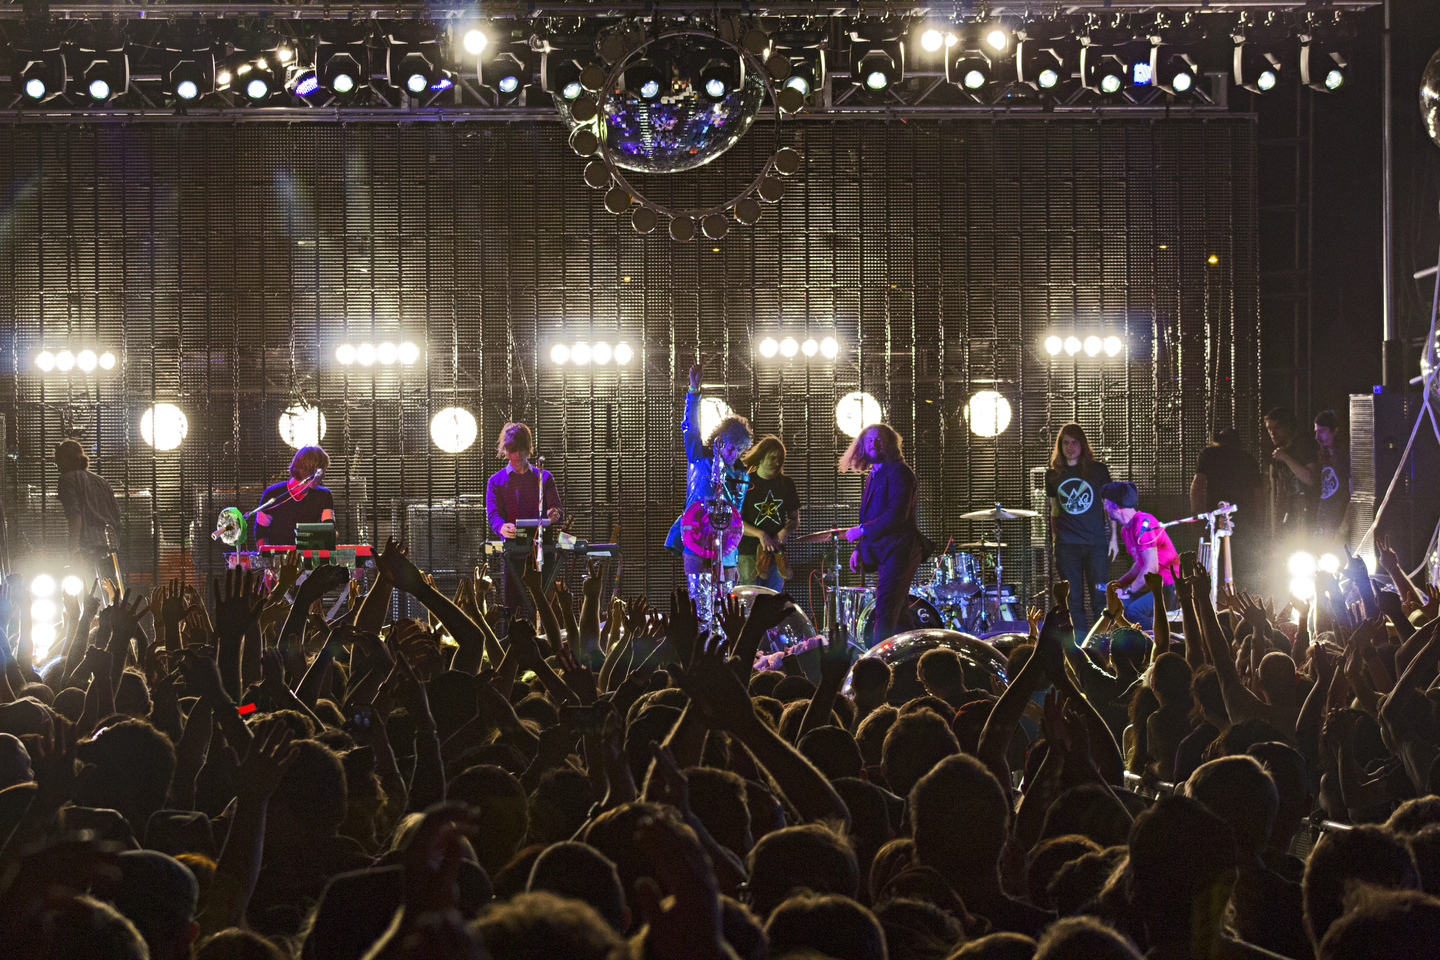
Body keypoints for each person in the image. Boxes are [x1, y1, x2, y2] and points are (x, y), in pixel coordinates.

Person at [665, 363, 754, 606]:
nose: (734, 453)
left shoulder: (741, 474)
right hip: (695, 536)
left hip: (725, 546)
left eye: (739, 449)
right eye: (730, 446)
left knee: (723, 605)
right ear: (719, 440)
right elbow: (690, 429)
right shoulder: (699, 457)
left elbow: (735, 518)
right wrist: (694, 392)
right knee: (699, 602)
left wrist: (733, 559)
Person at [843, 423, 931, 647]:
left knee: (885, 612)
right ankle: (914, 657)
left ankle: (876, 667)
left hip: (901, 549)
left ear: (890, 444)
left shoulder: (899, 471)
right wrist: (859, 548)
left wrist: (861, 531)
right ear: (862, 446)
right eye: (869, 440)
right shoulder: (874, 475)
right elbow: (870, 516)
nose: (874, 444)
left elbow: (896, 514)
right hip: (887, 550)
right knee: (898, 614)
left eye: (879, 439)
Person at [1045, 423, 1117, 636]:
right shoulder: (1052, 475)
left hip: (1096, 543)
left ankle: (1102, 644)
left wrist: (1113, 538)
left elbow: (1109, 504)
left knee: (1099, 599)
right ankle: (1079, 649)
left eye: (1075, 442)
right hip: (1067, 545)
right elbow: (1054, 510)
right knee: (1073, 601)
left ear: (1082, 444)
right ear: (1060, 446)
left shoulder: (1098, 470)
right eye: (1065, 443)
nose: (1070, 447)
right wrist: (1055, 541)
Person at [485, 422, 564, 611]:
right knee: (514, 608)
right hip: (514, 554)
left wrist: (554, 514)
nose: (518, 455)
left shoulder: (544, 478)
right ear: (505, 450)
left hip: (543, 554)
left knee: (547, 608)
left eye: (521, 449)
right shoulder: (496, 481)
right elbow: (493, 515)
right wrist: (501, 527)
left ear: (528, 449)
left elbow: (558, 510)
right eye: (512, 450)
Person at [1191, 427, 1263, 586]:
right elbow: (1258, 494)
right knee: (1241, 567)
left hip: (1215, 518)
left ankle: (1212, 601)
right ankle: (1238, 602)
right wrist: (1260, 523)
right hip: (1244, 521)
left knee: (1213, 564)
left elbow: (1197, 485)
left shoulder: (1208, 454)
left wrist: (1197, 515)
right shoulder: (1248, 458)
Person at [1101, 481, 1178, 623]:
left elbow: (1151, 568)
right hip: (1157, 587)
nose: (1105, 508)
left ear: (1117, 506)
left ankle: (1160, 639)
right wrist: (1118, 585)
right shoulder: (1125, 530)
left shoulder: (1144, 523)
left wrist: (1129, 591)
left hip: (1171, 587)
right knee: (1118, 608)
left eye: (1106, 503)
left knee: (1134, 612)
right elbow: (1139, 565)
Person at [737, 435, 800, 592]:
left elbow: (794, 519)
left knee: (772, 604)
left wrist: (785, 531)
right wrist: (760, 534)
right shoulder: (746, 482)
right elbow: (735, 522)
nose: (777, 463)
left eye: (780, 459)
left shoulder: (787, 484)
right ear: (761, 457)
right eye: (772, 458)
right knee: (748, 603)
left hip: (776, 556)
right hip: (748, 554)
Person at [54, 439, 122, 572]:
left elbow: (74, 514)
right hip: (110, 547)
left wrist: (74, 548)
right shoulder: (102, 482)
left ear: (65, 460)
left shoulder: (66, 480)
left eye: (57, 459)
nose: (56, 464)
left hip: (86, 546)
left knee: (87, 586)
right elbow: (117, 516)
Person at [254, 445, 334, 548]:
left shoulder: (324, 495)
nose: (323, 477)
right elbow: (261, 531)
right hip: (279, 559)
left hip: (309, 558)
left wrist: (331, 535)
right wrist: (265, 558)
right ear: (309, 471)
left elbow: (329, 529)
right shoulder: (272, 494)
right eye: (321, 472)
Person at [1265, 407, 1319, 544]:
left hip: (1312, 514)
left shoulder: (1304, 446)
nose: (1272, 433)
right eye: (1269, 429)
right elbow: (1280, 494)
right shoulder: (1278, 455)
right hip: (1291, 518)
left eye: (1277, 428)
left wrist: (1285, 458)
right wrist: (1276, 530)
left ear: (1288, 427)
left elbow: (1310, 479)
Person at [1312, 410, 1351, 544]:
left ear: (1335, 431)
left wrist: (1343, 529)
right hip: (1324, 524)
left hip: (1338, 524)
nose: (1317, 437)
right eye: (1316, 432)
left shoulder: (1346, 458)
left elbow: (1353, 496)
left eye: (1322, 431)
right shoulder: (1324, 457)